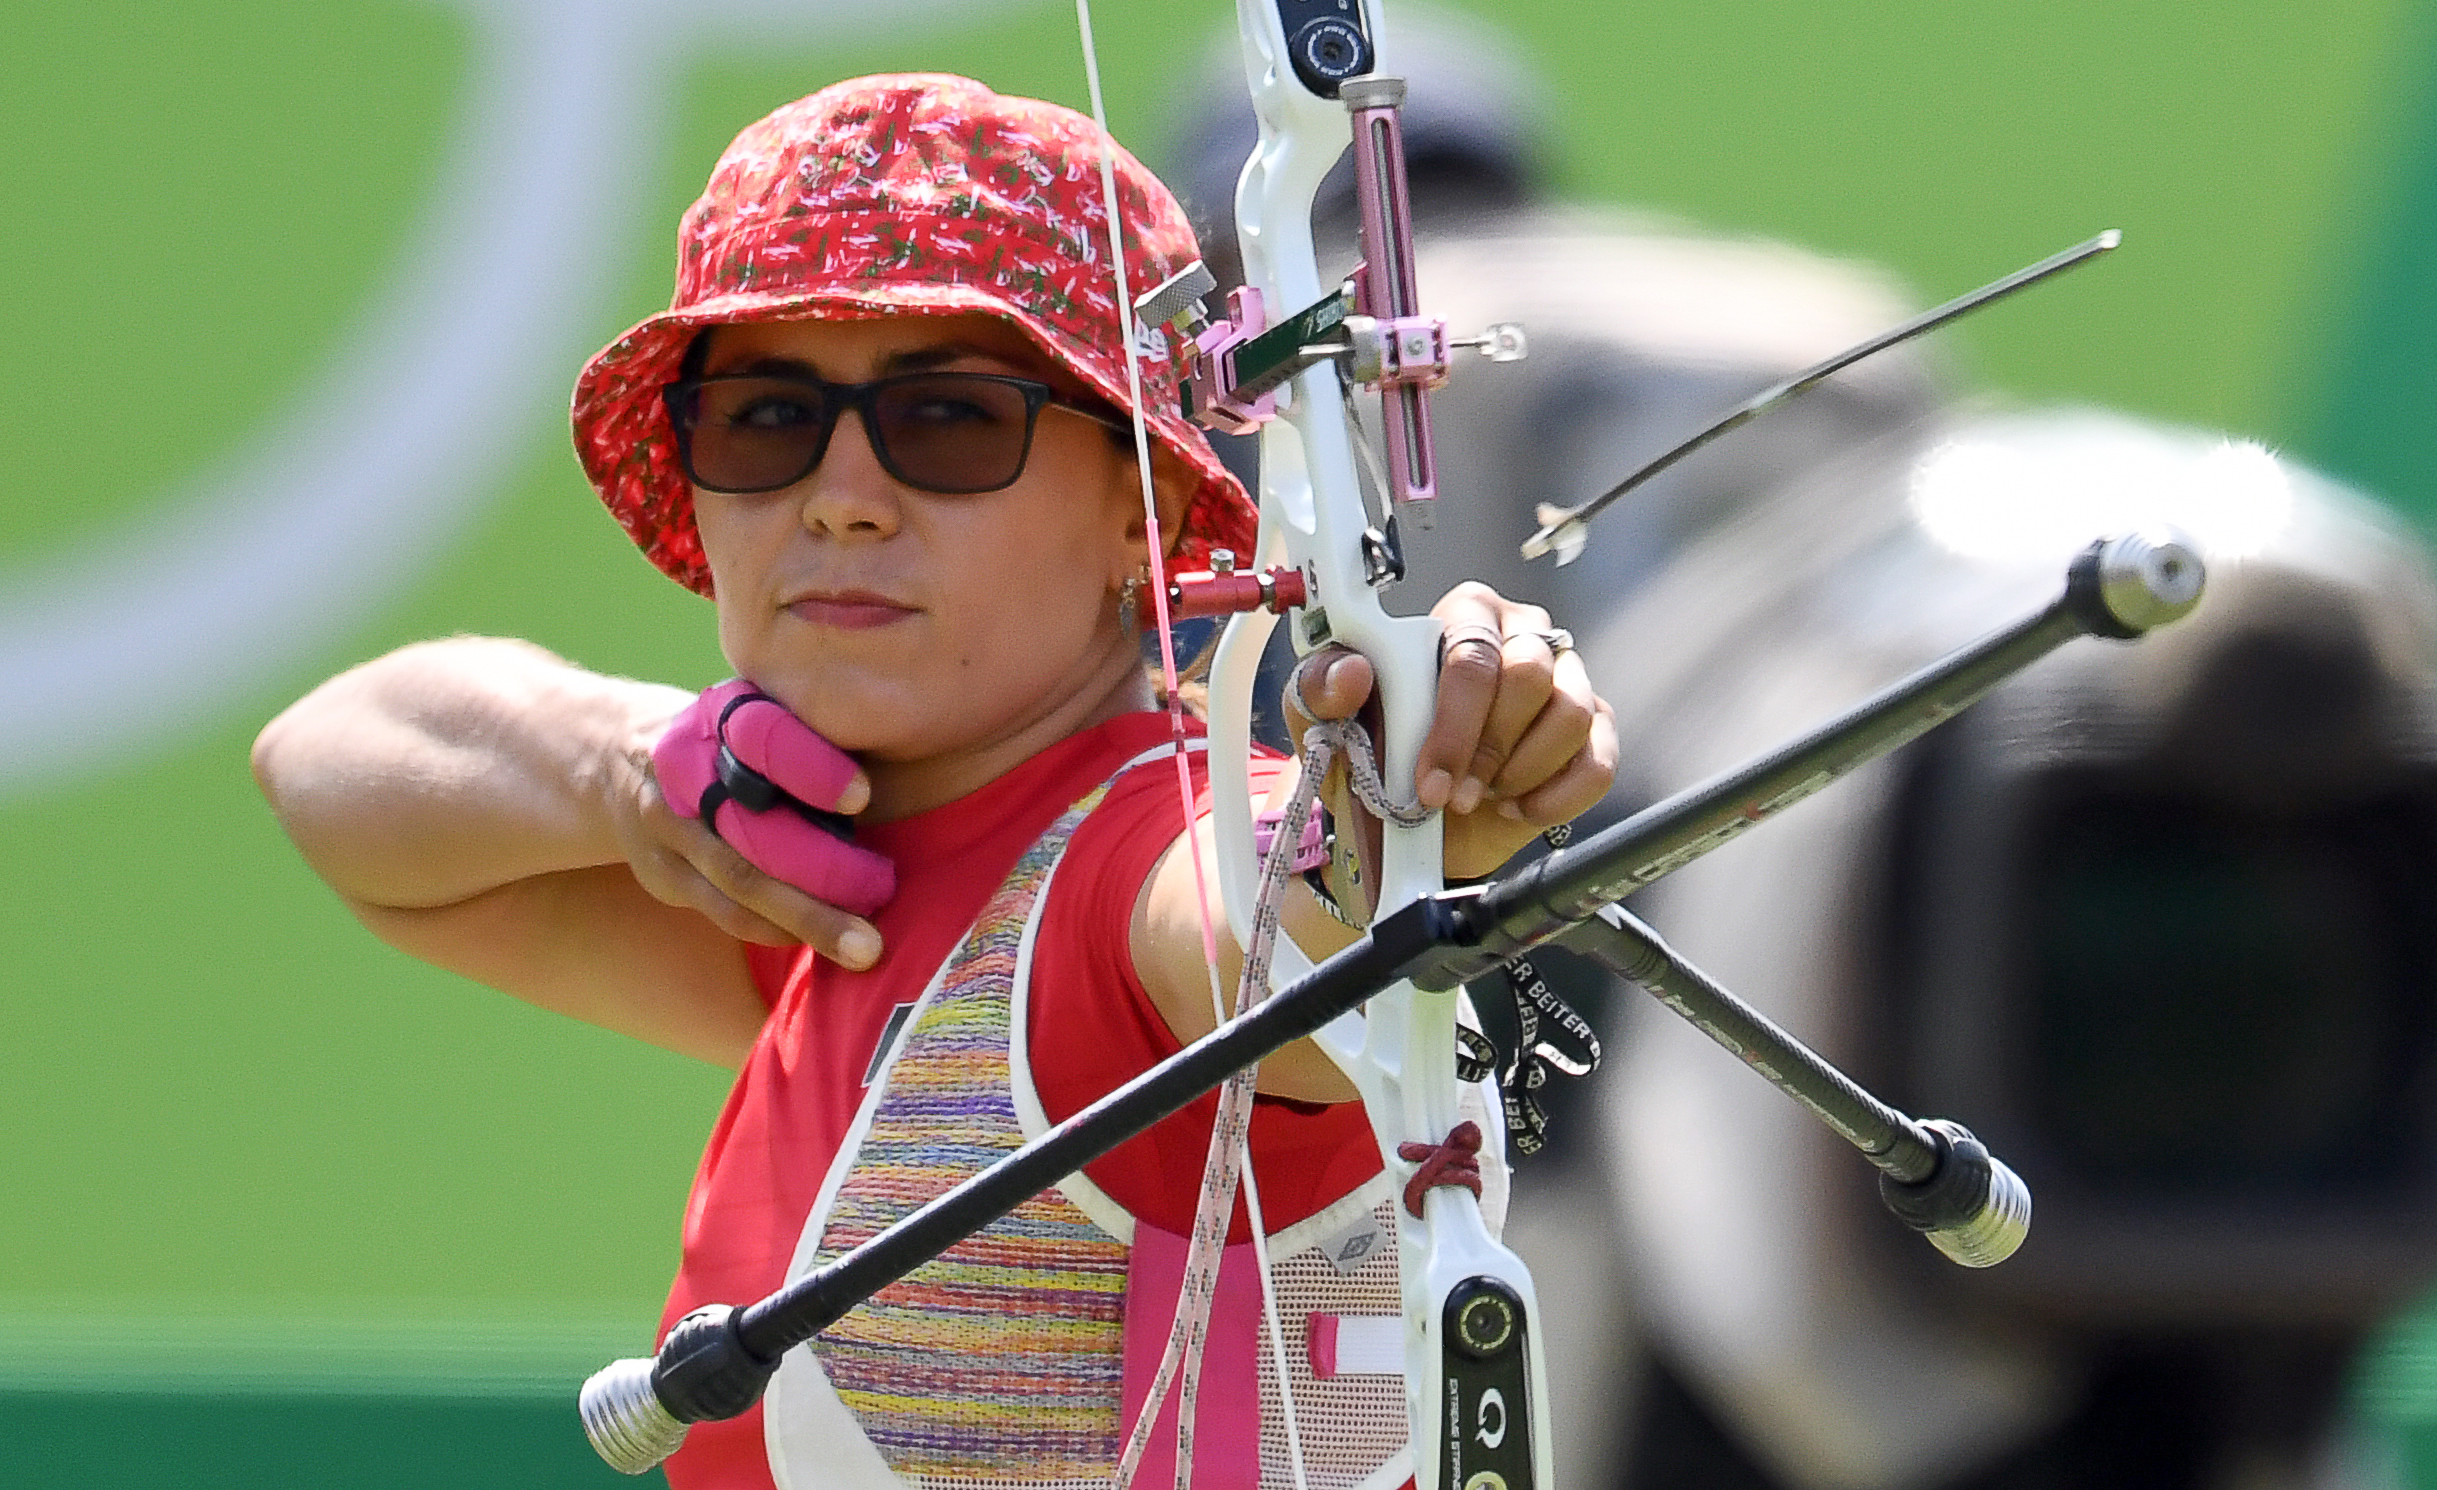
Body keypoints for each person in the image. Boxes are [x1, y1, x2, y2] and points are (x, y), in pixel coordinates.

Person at [252, 73, 1615, 1490]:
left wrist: (1409, 826)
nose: (842, 496)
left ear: (1138, 506)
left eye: (954, 419)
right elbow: (328, 776)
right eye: (766, 419)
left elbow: (1266, 946)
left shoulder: (1127, 871)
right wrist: (627, 772)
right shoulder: (824, 880)